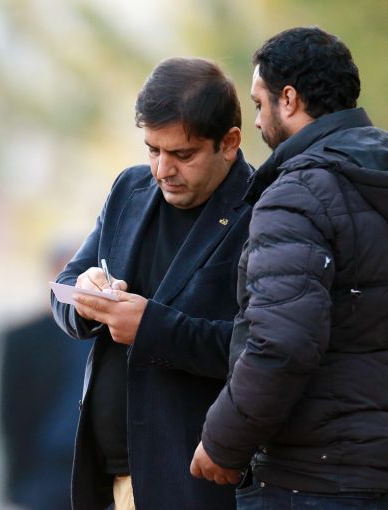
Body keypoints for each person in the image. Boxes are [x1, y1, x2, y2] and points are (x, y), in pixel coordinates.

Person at [191, 26, 388, 509]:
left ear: (290, 99)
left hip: (315, 479)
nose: (258, 121)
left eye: (259, 104)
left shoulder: (297, 195)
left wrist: (222, 442)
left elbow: (282, 342)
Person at [51, 57, 252, 510]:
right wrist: (84, 295)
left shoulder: (263, 210)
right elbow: (62, 287)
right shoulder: (130, 189)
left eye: (183, 155)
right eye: (152, 150)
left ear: (229, 143)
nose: (163, 169)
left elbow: (260, 348)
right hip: (107, 476)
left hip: (191, 481)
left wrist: (151, 328)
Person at [0, 243, 92, 510]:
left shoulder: (113, 335)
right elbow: (11, 413)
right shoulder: (24, 338)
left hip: (99, 469)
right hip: (47, 469)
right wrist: (19, 480)